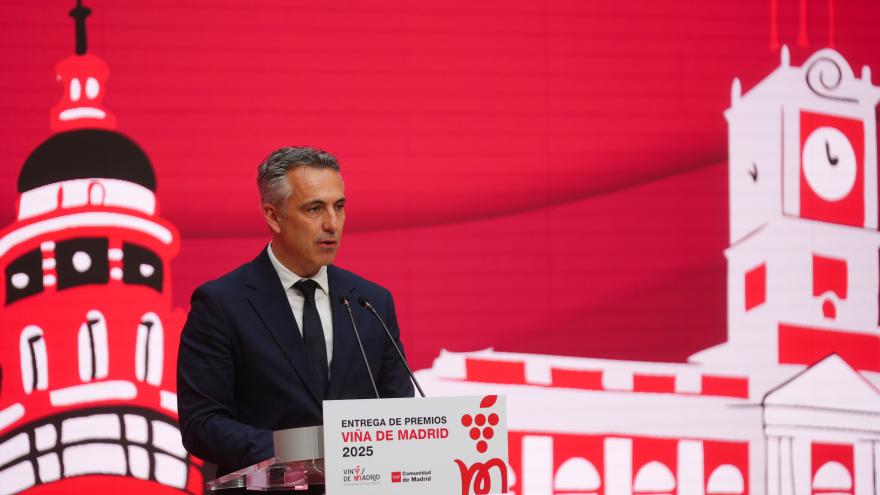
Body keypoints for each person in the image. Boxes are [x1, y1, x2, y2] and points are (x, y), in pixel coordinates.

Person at [176, 146, 415, 488]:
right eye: (314, 209)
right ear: (273, 216)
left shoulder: (371, 302)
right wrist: (300, 454)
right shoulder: (221, 304)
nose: (332, 224)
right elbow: (202, 424)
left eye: (339, 207)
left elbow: (398, 412)